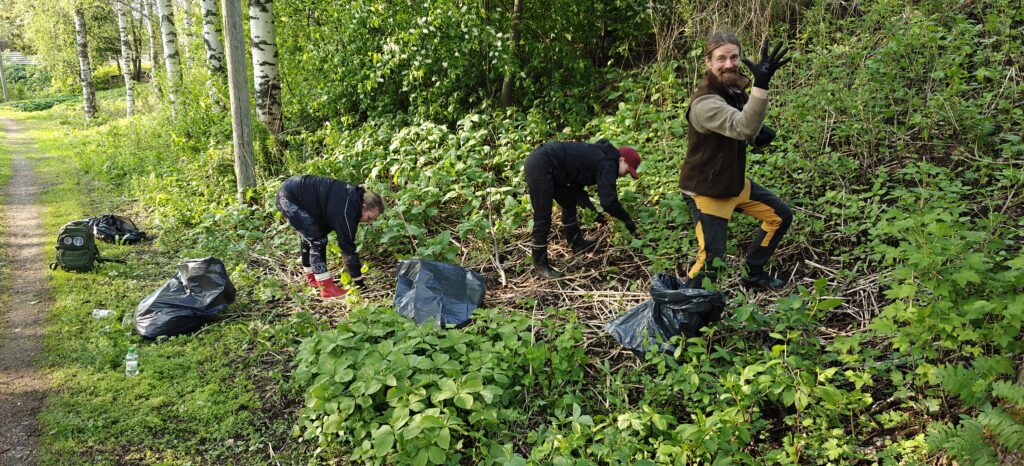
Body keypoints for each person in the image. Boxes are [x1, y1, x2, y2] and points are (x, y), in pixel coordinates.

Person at [679, 32, 794, 289]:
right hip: (707, 191)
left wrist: (756, 136)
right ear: (708, 62)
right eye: (721, 58)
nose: (729, 64)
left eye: (734, 57)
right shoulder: (705, 102)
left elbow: (743, 128)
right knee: (711, 259)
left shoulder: (731, 90)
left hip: (732, 182)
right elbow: (741, 126)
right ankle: (682, 316)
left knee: (779, 217)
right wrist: (761, 84)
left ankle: (753, 274)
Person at [524, 139, 641, 279]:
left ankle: (576, 243)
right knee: (542, 217)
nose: (625, 175)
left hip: (553, 168)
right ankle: (540, 266)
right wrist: (627, 219)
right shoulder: (608, 163)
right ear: (621, 160)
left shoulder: (599, 157)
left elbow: (576, 189)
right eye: (627, 170)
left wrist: (593, 212)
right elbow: (608, 201)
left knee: (569, 201)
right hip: (541, 165)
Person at [275, 175, 384, 297]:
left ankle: (313, 280)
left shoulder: (352, 197)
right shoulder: (347, 210)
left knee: (310, 236)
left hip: (293, 191)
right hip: (289, 197)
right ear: (364, 206)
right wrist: (360, 284)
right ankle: (326, 288)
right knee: (317, 240)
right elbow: (347, 247)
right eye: (369, 218)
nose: (367, 221)